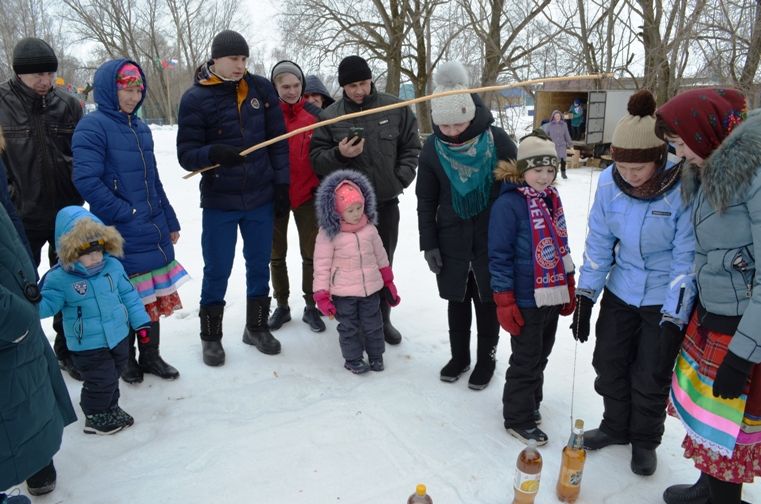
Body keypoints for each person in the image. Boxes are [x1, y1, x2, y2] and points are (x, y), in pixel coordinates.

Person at [569, 90, 696, 476]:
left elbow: (685, 258)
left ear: (659, 158)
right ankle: (614, 426)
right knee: (609, 363)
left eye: (636, 169)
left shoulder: (682, 185)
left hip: (661, 297)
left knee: (650, 373)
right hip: (622, 290)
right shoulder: (610, 182)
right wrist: (587, 295)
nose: (628, 175)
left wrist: (675, 317)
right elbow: (600, 240)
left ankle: (644, 440)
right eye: (620, 166)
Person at [655, 89, 760, 504]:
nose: (679, 156)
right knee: (707, 414)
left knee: (730, 429)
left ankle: (723, 500)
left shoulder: (752, 177)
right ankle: (707, 488)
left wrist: (743, 353)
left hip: (743, 326)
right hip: (714, 311)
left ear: (703, 133)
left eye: (680, 145)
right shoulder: (708, 168)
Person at [177, 30, 289, 366]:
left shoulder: (261, 89)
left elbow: (278, 142)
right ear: (216, 59)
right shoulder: (195, 98)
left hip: (260, 197)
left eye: (244, 59)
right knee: (217, 269)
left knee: (259, 264)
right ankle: (211, 337)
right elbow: (186, 154)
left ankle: (256, 327)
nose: (240, 65)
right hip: (220, 201)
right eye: (233, 59)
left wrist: (281, 186)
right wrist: (214, 153)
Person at [72, 59, 187, 383]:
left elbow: (154, 180)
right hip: (119, 231)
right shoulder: (92, 127)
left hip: (151, 227)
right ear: (111, 88)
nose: (134, 96)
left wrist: (170, 218)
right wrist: (126, 213)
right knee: (125, 300)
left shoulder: (141, 128)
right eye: (127, 88)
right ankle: (126, 362)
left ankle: (151, 356)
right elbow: (86, 181)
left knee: (151, 298)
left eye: (138, 89)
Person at [416, 61, 516, 390]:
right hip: (451, 238)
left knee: (487, 302)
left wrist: (514, 241)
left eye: (460, 122)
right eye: (445, 126)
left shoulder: (498, 142)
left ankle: (486, 360)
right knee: (457, 301)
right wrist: (428, 243)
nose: (454, 131)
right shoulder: (432, 149)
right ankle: (459, 356)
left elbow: (517, 195)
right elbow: (426, 200)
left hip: (492, 240)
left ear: (471, 112)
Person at [310, 55, 420, 345]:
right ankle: (353, 321)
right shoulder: (330, 117)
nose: (359, 90)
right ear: (343, 86)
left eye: (363, 82)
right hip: (348, 213)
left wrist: (401, 178)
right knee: (349, 266)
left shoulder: (395, 107)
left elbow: (411, 145)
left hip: (384, 202)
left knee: (382, 262)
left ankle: (382, 320)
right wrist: (339, 155)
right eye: (352, 85)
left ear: (371, 79)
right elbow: (317, 160)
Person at [0, 37, 84, 380]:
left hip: (66, 213)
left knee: (72, 284)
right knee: (22, 287)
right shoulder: (1, 104)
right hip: (22, 217)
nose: (44, 81)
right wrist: (12, 196)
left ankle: (69, 348)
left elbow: (82, 154)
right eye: (36, 75)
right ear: (19, 74)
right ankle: (27, 348)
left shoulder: (68, 104)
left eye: (49, 73)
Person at [488, 129, 576, 445]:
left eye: (550, 170)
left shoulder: (552, 199)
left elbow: (561, 244)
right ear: (522, 169)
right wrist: (505, 299)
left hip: (551, 293)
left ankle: (530, 403)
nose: (545, 176)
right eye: (538, 169)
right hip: (524, 297)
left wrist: (568, 281)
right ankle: (517, 417)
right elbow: (498, 256)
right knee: (526, 358)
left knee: (542, 354)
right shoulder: (508, 205)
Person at [0, 160, 76, 500]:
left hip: (13, 276)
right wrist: (16, 316)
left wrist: (24, 267)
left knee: (28, 386)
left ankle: (35, 457)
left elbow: (6, 207)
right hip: (8, 312)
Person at [38, 206, 150, 435]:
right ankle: (95, 416)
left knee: (114, 373)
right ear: (71, 252)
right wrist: (32, 299)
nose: (96, 257)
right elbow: (46, 306)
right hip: (88, 343)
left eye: (98, 250)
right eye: (87, 253)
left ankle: (110, 407)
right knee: (101, 379)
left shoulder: (113, 267)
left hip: (118, 335)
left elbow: (129, 295)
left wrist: (141, 323)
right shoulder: (60, 278)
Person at [312, 169, 400, 373]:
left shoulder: (369, 229)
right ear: (337, 211)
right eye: (350, 210)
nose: (356, 213)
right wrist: (322, 295)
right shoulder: (329, 234)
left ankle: (376, 356)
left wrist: (388, 283)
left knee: (374, 324)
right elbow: (322, 266)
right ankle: (353, 359)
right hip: (344, 293)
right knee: (349, 328)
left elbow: (381, 258)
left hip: (370, 290)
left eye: (359, 207)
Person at [266, 60, 325, 332]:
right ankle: (282, 305)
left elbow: (326, 151)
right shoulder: (268, 116)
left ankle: (311, 306)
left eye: (296, 85)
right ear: (275, 86)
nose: (291, 91)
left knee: (311, 254)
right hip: (275, 195)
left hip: (308, 194)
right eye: (285, 86)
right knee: (276, 254)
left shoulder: (315, 115)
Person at [541, 110, 573, 179]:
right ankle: (554, 174)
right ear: (553, 117)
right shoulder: (549, 125)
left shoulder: (564, 125)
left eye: (558, 116)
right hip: (553, 145)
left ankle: (563, 173)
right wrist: (545, 143)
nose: (557, 117)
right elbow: (545, 135)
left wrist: (570, 145)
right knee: (555, 160)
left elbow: (567, 135)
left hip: (562, 145)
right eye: (556, 116)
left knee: (563, 160)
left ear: (560, 117)